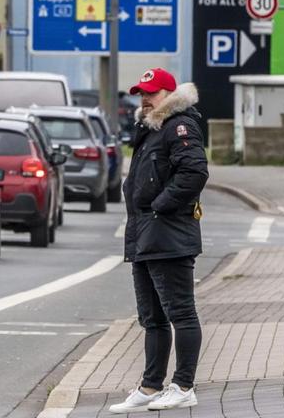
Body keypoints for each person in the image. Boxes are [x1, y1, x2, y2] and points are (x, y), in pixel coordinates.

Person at [109, 68, 209, 413]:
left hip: (169, 233)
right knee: (151, 317)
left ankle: (183, 385)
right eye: (141, 93)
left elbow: (194, 172)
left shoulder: (179, 126)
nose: (145, 99)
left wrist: (160, 207)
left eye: (152, 93)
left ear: (170, 94)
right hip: (145, 234)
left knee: (180, 313)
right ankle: (151, 386)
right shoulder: (150, 130)